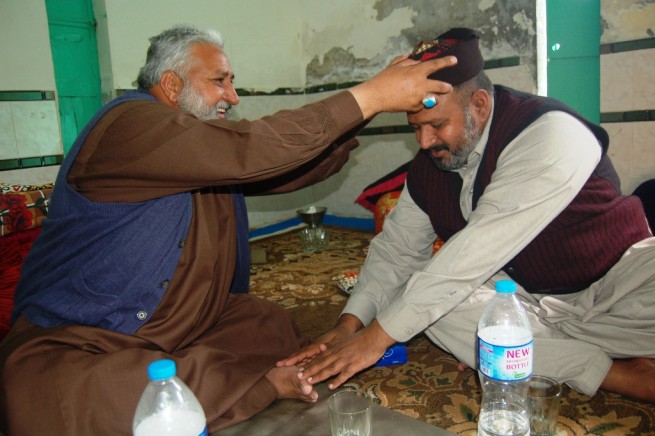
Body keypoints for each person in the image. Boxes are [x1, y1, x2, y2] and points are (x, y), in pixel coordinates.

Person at [0, 25, 456, 434]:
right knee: (62, 395)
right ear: (172, 84)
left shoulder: (193, 144)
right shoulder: (128, 126)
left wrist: (376, 101)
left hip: (178, 325)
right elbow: (251, 151)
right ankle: (255, 388)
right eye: (219, 81)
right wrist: (372, 94)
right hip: (89, 338)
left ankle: (197, 380)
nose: (232, 96)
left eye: (231, 81)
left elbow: (281, 168)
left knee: (268, 324)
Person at [279, 27, 655, 404]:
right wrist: (351, 325)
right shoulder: (431, 163)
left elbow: (473, 253)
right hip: (532, 302)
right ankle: (617, 372)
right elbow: (397, 250)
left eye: (437, 125)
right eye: (416, 129)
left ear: (479, 104)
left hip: (625, 288)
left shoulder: (551, 133)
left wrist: (375, 341)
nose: (424, 142)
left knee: (428, 298)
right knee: (434, 309)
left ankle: (532, 352)